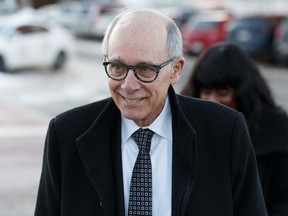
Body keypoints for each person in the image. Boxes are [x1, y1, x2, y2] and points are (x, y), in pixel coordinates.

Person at [34, 8, 268, 216]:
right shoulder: (66, 134)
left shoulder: (225, 131)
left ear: (176, 70)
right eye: (117, 67)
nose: (128, 85)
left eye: (145, 69)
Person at [181, 42, 288, 215]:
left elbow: (282, 201)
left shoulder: (276, 130)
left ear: (243, 92)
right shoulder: (184, 127)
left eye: (222, 93)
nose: (212, 101)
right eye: (206, 92)